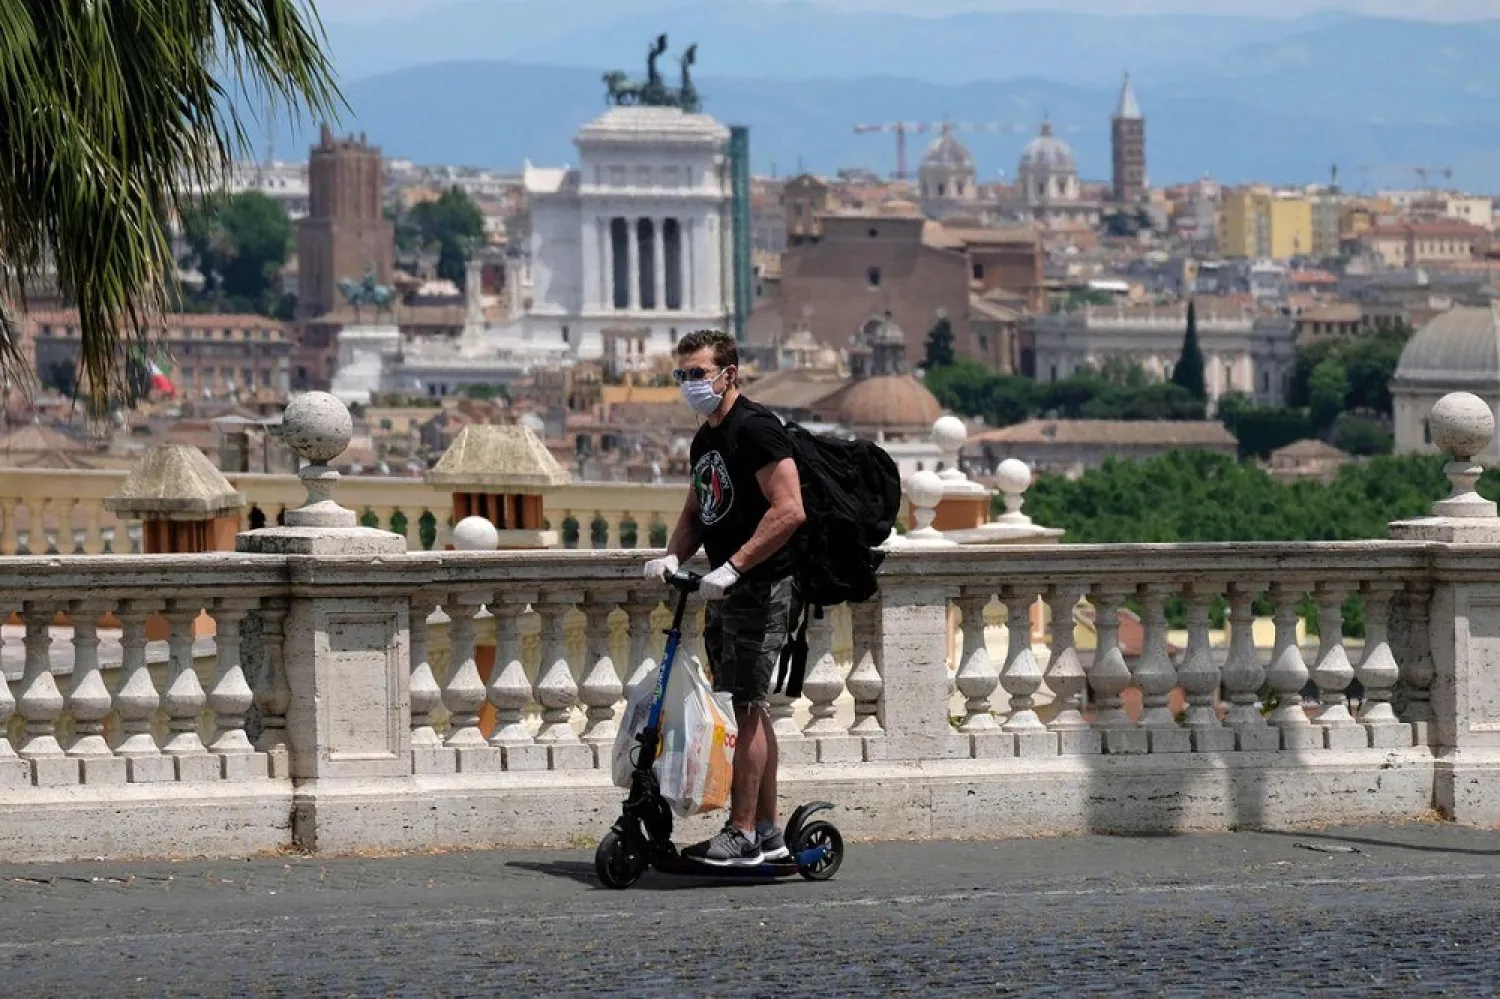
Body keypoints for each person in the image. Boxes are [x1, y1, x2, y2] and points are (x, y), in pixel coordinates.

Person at [643, 328, 806, 867]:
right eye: (682, 375)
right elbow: (698, 511)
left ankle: (740, 835)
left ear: (728, 374)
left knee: (750, 706)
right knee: (745, 704)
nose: (690, 383)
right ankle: (768, 833)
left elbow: (789, 509)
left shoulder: (756, 429)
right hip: (724, 586)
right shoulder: (705, 437)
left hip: (761, 585)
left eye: (698, 374)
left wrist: (736, 566)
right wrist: (672, 556)